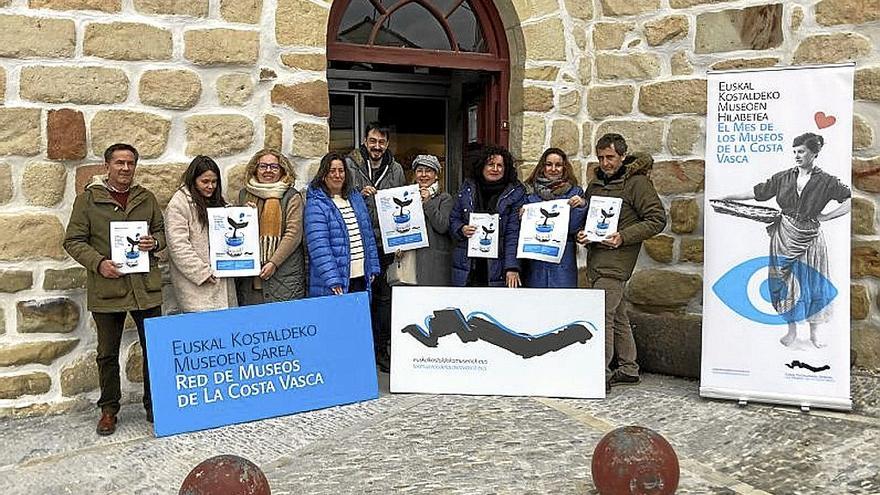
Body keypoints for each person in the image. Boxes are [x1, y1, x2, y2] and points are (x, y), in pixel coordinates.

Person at [63, 143, 164, 435]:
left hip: (145, 287)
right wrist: (98, 263)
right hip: (107, 288)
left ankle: (155, 405)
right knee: (107, 353)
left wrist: (154, 243)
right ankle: (109, 409)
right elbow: (73, 240)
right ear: (107, 166)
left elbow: (160, 232)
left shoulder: (146, 198)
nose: (125, 168)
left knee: (153, 350)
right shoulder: (88, 200)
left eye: (130, 163)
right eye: (119, 162)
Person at [720, 132, 850, 348]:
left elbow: (848, 200)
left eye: (802, 151)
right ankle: (791, 331)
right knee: (785, 281)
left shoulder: (827, 181)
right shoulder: (783, 177)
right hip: (784, 234)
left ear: (814, 153)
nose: (797, 156)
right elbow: (757, 192)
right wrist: (728, 197)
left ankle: (814, 332)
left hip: (810, 237)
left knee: (811, 280)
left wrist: (827, 216)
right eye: (795, 152)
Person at [576, 133, 666, 392]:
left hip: (617, 261)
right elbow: (588, 219)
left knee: (601, 314)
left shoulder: (637, 184)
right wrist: (582, 233)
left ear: (623, 156)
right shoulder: (595, 184)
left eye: (611, 157)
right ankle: (628, 368)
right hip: (597, 258)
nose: (605, 163)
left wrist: (623, 237)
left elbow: (657, 219)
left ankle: (599, 374)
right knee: (617, 315)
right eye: (601, 157)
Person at [345, 123, 405, 369]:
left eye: (381, 142)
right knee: (359, 295)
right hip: (358, 241)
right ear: (365, 141)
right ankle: (357, 350)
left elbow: (404, 204)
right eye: (372, 141)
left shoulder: (397, 169)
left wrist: (401, 240)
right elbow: (340, 193)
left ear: (387, 143)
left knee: (383, 298)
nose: (376, 146)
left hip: (384, 243)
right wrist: (359, 191)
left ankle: (381, 350)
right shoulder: (350, 164)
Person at [165, 156, 237, 313]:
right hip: (197, 286)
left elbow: (230, 224)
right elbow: (178, 246)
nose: (210, 186)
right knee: (203, 333)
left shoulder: (217, 201)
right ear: (194, 180)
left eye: (214, 182)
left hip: (221, 278)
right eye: (205, 182)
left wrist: (245, 212)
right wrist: (201, 272)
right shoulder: (179, 204)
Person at [305, 152, 381, 298]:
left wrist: (372, 267)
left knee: (359, 319)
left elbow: (368, 236)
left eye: (341, 171)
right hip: (335, 281)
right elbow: (319, 246)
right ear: (323, 175)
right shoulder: (316, 203)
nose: (337, 175)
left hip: (361, 276)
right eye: (332, 171)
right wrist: (333, 279)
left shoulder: (355, 198)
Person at [450, 145, 526, 287]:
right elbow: (454, 219)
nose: (495, 169)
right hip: (468, 266)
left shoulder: (515, 193)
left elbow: (513, 233)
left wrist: (512, 267)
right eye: (491, 164)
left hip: (498, 266)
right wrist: (461, 229)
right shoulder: (467, 189)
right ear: (482, 166)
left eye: (500, 166)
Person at [236, 148, 306, 304]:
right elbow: (237, 230)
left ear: (282, 170)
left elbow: (293, 234)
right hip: (251, 279)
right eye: (263, 166)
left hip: (284, 276)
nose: (268, 170)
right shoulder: (244, 195)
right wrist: (245, 215)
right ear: (255, 168)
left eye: (274, 167)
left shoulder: (291, 196)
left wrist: (273, 262)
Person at [521, 148, 586, 288]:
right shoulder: (528, 191)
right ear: (542, 167)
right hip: (534, 257)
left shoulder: (575, 192)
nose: (553, 169)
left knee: (562, 302)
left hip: (563, 256)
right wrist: (520, 215)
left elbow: (574, 227)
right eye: (549, 164)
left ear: (564, 167)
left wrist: (580, 206)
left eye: (558, 165)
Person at [405, 154, 453, 286]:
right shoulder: (406, 197)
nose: (424, 175)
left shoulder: (445, 198)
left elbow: (442, 226)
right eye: (420, 170)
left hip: (433, 263)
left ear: (436, 175)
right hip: (410, 260)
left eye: (429, 171)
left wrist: (427, 202)